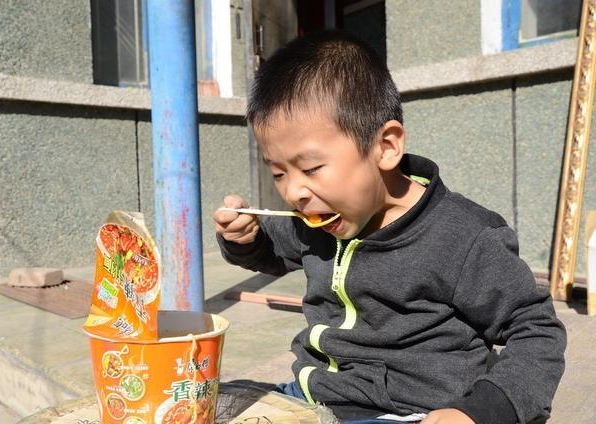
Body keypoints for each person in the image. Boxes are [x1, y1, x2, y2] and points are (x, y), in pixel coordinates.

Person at [213, 30, 566, 424]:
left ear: (386, 146)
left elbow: (537, 331)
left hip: (408, 412)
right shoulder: (318, 223)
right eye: (279, 173)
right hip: (314, 396)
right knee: (200, 402)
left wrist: (481, 411)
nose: (295, 191)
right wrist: (244, 238)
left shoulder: (463, 237)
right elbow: (272, 251)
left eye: (311, 168)